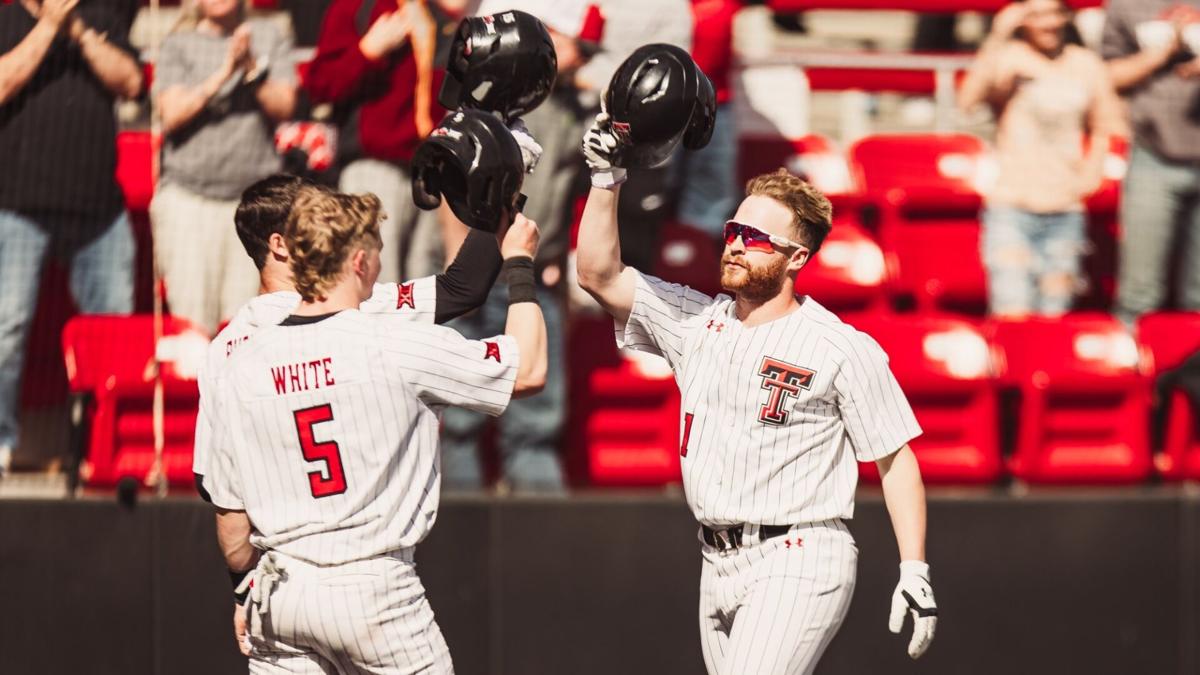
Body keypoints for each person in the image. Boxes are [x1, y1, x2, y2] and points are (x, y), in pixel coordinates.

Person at [577, 115, 938, 671]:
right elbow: (599, 274)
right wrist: (606, 179)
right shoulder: (695, 321)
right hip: (714, 557)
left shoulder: (839, 345)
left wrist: (914, 568)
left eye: (756, 239)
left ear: (796, 258)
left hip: (800, 552)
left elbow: (896, 458)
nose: (737, 246)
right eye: (733, 232)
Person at [204, 187, 547, 672]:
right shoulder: (394, 339)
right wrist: (519, 266)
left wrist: (244, 592)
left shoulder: (238, 360)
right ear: (360, 261)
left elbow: (232, 521)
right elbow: (529, 369)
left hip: (280, 593)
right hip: (373, 589)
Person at [192, 173, 508, 500]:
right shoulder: (349, 305)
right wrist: (502, 191)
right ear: (279, 244)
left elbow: (209, 481)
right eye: (308, 220)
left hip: (276, 538)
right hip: (358, 527)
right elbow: (463, 288)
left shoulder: (223, 350)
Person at [439, 0, 600, 493]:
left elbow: (566, 200)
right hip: (476, 274)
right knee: (460, 419)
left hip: (532, 273)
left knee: (536, 421)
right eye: (580, 45)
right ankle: (457, 532)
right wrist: (457, 274)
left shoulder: (575, 107)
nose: (585, 57)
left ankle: (541, 544)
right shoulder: (488, 100)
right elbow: (451, 189)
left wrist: (553, 267)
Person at [0, 0, 142, 475]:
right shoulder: (4, 18)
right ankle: (1, 444)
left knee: (114, 337)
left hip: (99, 207)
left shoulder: (100, 16)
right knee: (6, 331)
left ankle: (102, 448)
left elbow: (132, 81)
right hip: (16, 203)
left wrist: (77, 30)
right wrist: (50, 27)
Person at [958, 0, 1122, 317]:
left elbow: (1108, 123)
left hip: (1065, 205)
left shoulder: (1085, 64)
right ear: (1022, 20)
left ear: (1065, 17)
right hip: (1012, 205)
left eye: (1053, 13)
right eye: (1036, 15)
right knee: (1011, 307)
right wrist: (997, 38)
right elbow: (967, 102)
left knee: (1055, 312)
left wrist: (1091, 173)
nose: (1047, 24)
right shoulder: (1008, 59)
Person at [152, 0, 298, 333]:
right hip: (189, 201)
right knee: (192, 325)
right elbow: (171, 114)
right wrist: (224, 72)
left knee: (250, 324)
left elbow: (285, 105)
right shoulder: (178, 42)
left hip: (253, 208)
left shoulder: (267, 35)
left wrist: (251, 70)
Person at [304, 0, 451, 282]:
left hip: (428, 173)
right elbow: (320, 85)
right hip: (373, 167)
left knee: (422, 286)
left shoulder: (438, 16)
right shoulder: (356, 7)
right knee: (374, 280)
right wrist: (367, 52)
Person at [1101, 0, 1200, 328]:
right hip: (1153, 155)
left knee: (1198, 296)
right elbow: (1108, 76)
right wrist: (1162, 52)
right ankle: (1135, 376)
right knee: (1139, 293)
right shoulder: (1127, 5)